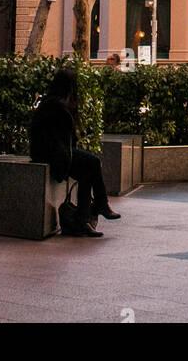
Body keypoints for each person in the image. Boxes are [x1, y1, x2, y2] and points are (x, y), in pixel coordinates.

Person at [29, 69, 121, 237]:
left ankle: (84, 219)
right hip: (54, 155)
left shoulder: (51, 104)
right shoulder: (58, 107)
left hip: (49, 153)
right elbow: (67, 141)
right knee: (92, 162)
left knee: (87, 172)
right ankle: (98, 206)